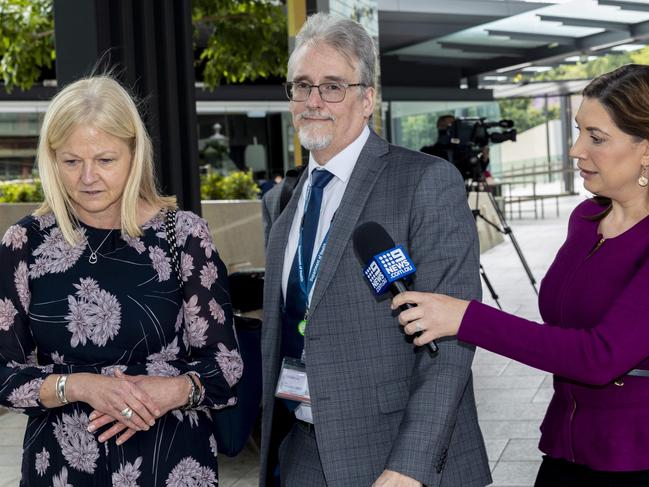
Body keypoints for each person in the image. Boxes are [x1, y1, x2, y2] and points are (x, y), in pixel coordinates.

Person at [260, 13, 491, 487]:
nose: (313, 101)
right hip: (303, 453)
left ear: (367, 99)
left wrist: (408, 467)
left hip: (394, 457)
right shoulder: (281, 201)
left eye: (332, 87)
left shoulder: (424, 182)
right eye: (301, 86)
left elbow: (450, 343)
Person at [392, 64, 649, 487]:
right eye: (578, 130)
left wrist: (467, 319)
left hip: (633, 458)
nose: (576, 150)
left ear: (645, 148)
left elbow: (601, 356)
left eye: (596, 137)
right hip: (565, 449)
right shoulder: (586, 219)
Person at [0, 75, 242, 486]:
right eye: (71, 161)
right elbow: (3, 372)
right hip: (59, 468)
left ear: (134, 153)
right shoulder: (25, 244)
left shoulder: (182, 236)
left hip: (170, 464)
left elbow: (227, 366)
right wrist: (80, 386)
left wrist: (172, 390)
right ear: (52, 159)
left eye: (105, 159)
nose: (87, 177)